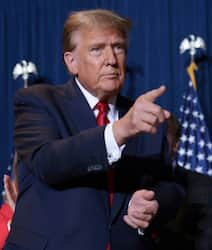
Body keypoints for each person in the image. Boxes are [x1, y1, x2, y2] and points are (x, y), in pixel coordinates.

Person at [6, 9, 183, 250]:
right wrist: (118, 131)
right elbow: (47, 162)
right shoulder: (38, 101)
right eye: (97, 49)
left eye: (118, 47)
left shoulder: (145, 116)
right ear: (71, 62)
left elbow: (171, 186)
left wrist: (154, 204)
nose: (111, 59)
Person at [155, 115, 212, 250]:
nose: (152, 143)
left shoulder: (203, 187)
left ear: (176, 144)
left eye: (160, 137)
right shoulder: (127, 182)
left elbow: (210, 244)